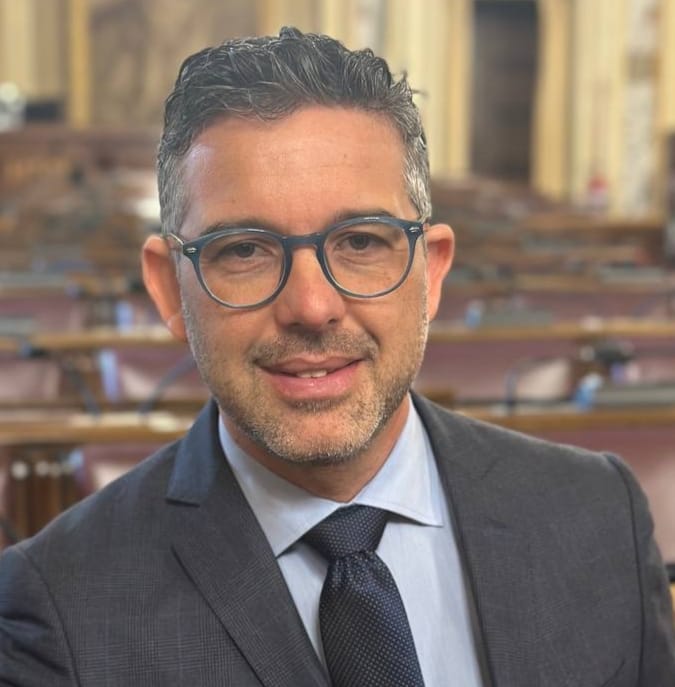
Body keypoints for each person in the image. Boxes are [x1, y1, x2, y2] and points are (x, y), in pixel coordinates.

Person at [0, 26, 674, 687]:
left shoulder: (599, 516)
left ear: (432, 271)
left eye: (360, 242)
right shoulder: (60, 607)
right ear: (169, 288)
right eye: (244, 250)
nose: (312, 306)